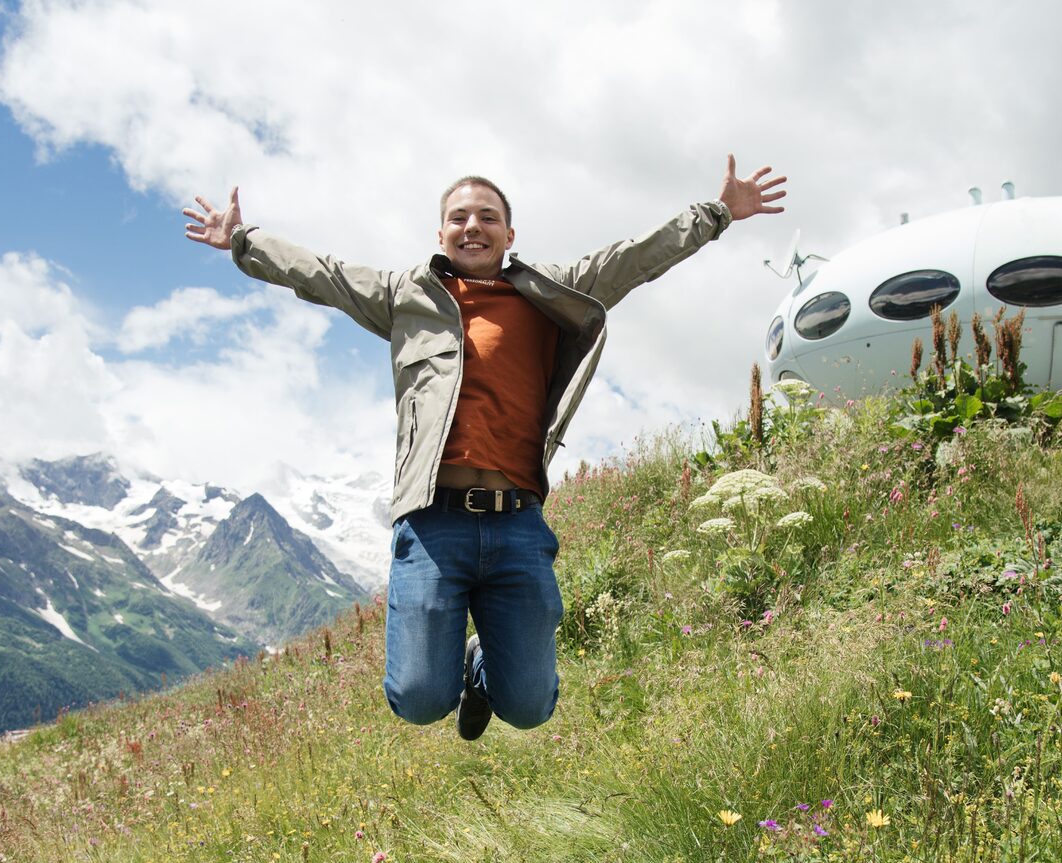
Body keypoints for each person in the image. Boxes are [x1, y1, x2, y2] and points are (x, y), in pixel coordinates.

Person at [183, 156, 785, 739]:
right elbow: (323, 273)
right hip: (432, 524)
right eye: (459, 217)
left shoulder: (552, 291)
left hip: (517, 524)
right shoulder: (404, 295)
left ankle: (481, 666)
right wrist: (243, 241)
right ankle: (453, 670)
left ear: (509, 232)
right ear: (441, 232)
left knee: (529, 708)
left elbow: (636, 257)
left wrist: (717, 213)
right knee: (419, 702)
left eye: (487, 216)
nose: (473, 226)